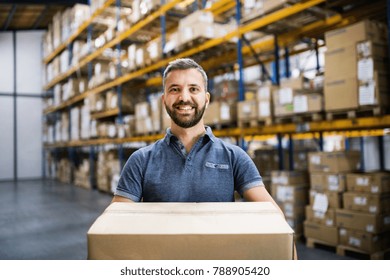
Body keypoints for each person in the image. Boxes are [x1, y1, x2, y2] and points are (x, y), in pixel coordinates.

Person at [112, 58, 280, 208]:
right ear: (164, 101)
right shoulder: (141, 161)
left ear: (206, 100)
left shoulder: (234, 157)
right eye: (175, 89)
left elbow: (274, 219)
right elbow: (116, 224)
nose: (184, 97)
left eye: (193, 89)